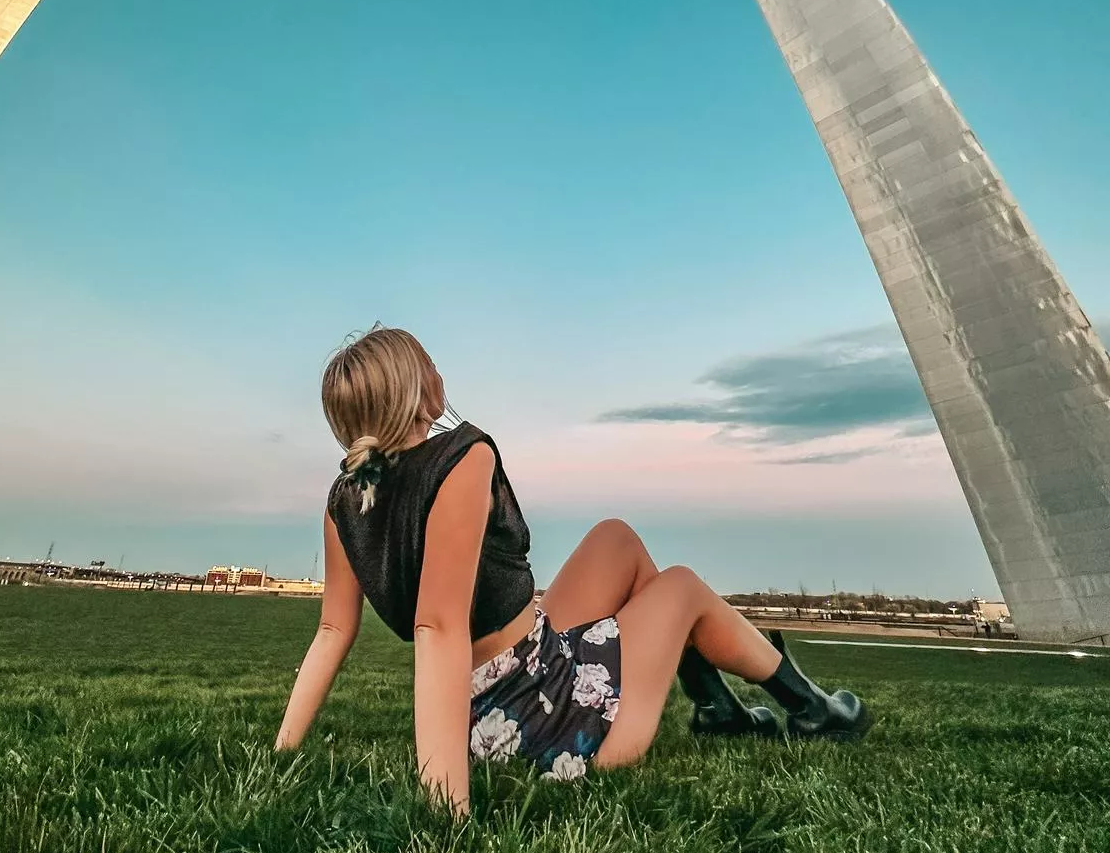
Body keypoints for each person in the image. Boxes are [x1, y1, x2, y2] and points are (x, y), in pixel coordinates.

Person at [275, 326, 869, 814]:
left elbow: (332, 631)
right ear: (415, 390)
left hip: (509, 673)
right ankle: (813, 709)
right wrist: (446, 814)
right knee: (682, 586)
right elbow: (437, 627)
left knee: (616, 540)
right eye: (431, 365)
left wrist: (283, 752)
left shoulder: (347, 498)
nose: (441, 376)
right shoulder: (462, 456)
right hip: (543, 719)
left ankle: (717, 709)